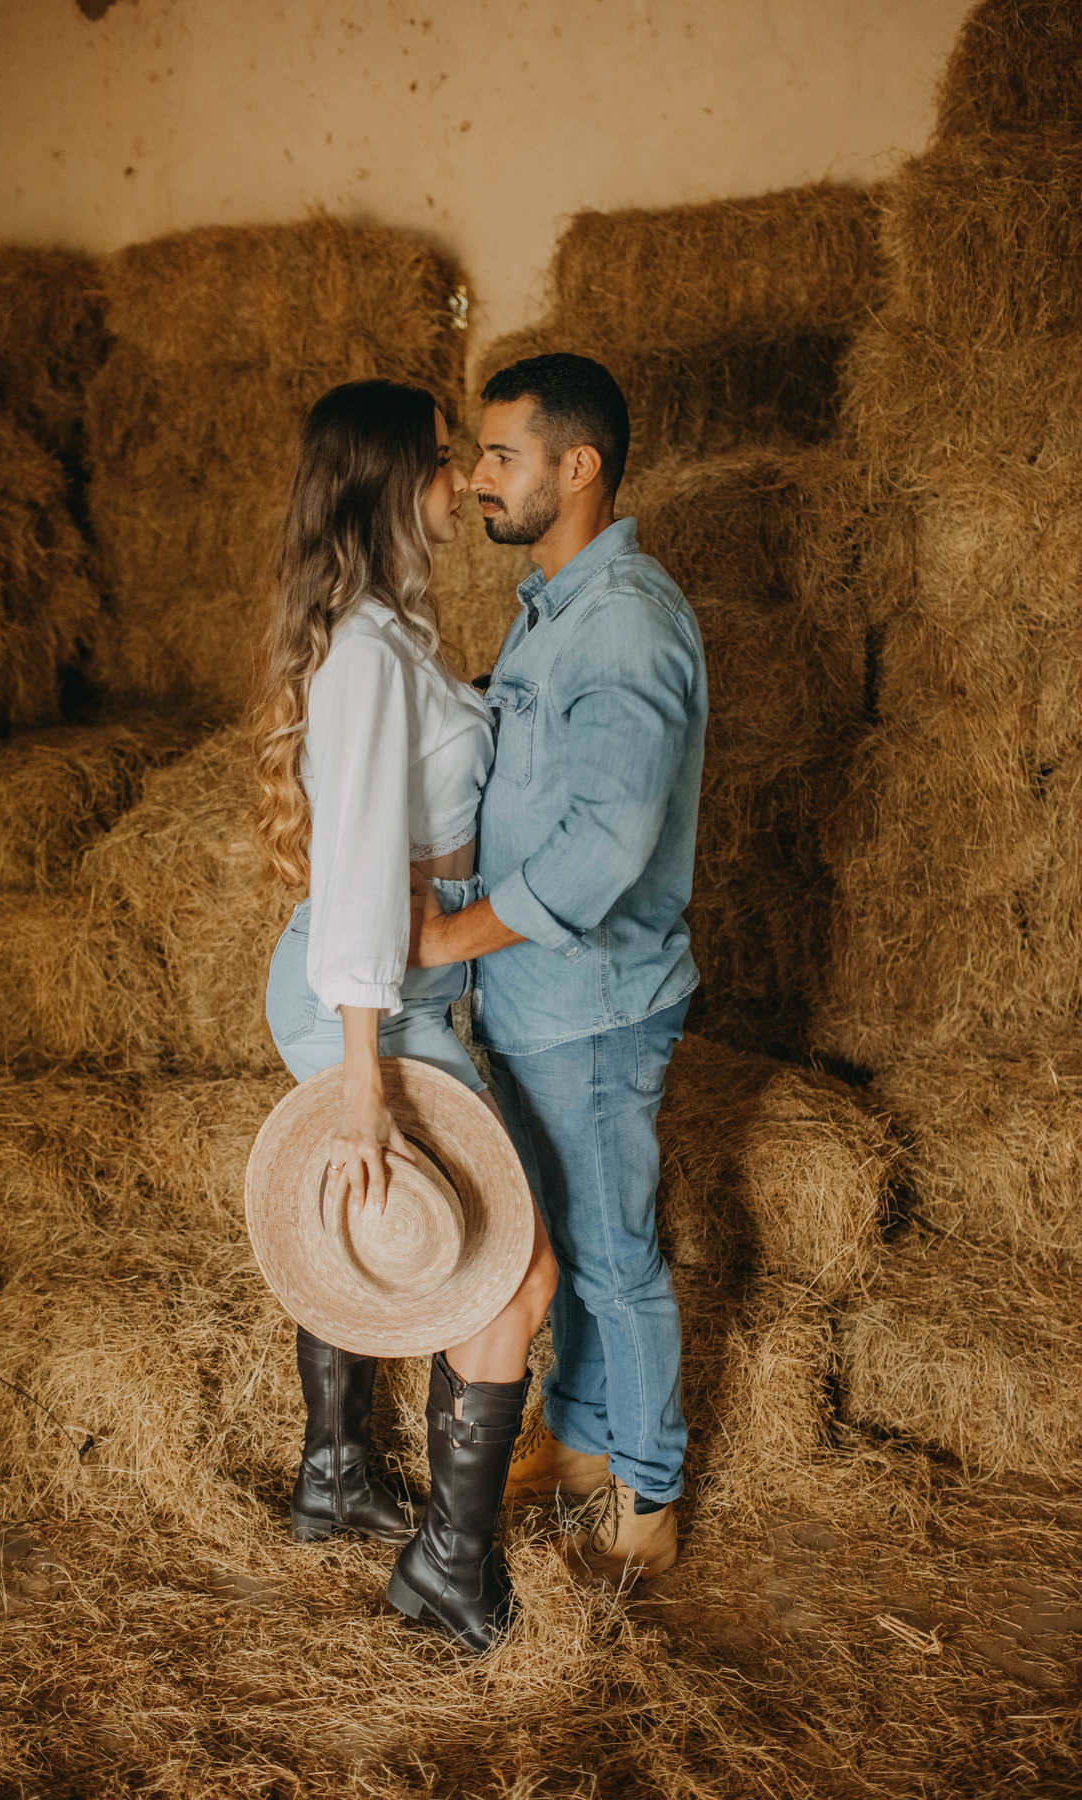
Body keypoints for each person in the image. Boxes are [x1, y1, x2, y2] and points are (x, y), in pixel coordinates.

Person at [253, 378, 557, 1652]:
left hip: (365, 981)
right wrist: (367, 1080)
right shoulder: (372, 654)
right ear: (394, 484)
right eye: (442, 462)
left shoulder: (387, 631)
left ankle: (336, 1480)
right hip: (362, 997)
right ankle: (450, 1566)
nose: (462, 482)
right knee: (518, 1272)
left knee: (390, 1224)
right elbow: (367, 859)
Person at [409, 353, 707, 1582]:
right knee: (568, 1237)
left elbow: (601, 850)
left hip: (594, 1004)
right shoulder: (551, 611)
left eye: (501, 456)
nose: (477, 478)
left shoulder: (625, 621)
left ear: (575, 468)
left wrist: (442, 941)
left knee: (617, 1257)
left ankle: (648, 1490)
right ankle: (582, 1442)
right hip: (535, 1000)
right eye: (480, 458)